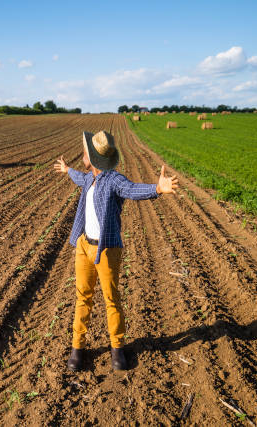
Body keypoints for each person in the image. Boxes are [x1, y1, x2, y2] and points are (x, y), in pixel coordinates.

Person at [53, 130, 178, 371]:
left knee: (111, 298)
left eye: (85, 152)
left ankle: (117, 347)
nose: (82, 155)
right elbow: (79, 177)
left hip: (106, 249)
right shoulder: (89, 178)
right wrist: (67, 170)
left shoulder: (113, 180)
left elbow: (132, 189)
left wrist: (157, 189)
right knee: (82, 297)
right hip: (84, 246)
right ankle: (77, 347)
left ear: (93, 157)